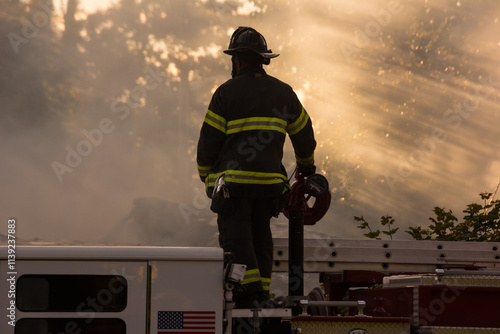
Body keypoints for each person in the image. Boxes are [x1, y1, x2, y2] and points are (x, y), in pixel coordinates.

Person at [196, 26, 316, 308]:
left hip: (234, 189)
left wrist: (207, 179)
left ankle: (247, 296)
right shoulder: (284, 93)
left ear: (236, 60)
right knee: (261, 236)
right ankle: (261, 293)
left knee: (237, 240)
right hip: (270, 189)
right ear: (263, 59)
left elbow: (208, 144)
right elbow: (304, 134)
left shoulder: (226, 93)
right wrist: (306, 168)